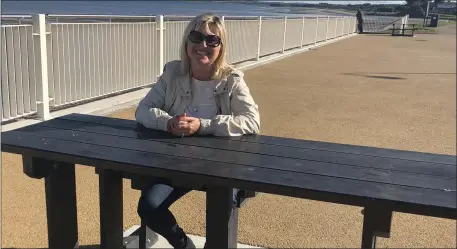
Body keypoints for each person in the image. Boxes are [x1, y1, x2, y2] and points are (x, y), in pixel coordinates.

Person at [134, 13, 260, 248]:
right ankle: (184, 245)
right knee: (149, 206)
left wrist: (203, 125)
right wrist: (168, 122)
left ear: (221, 47)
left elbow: (252, 121)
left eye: (212, 40)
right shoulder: (172, 74)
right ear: (187, 42)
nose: (203, 45)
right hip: (178, 163)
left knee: (220, 213)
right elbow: (143, 110)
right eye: (196, 37)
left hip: (221, 166)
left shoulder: (232, 80)